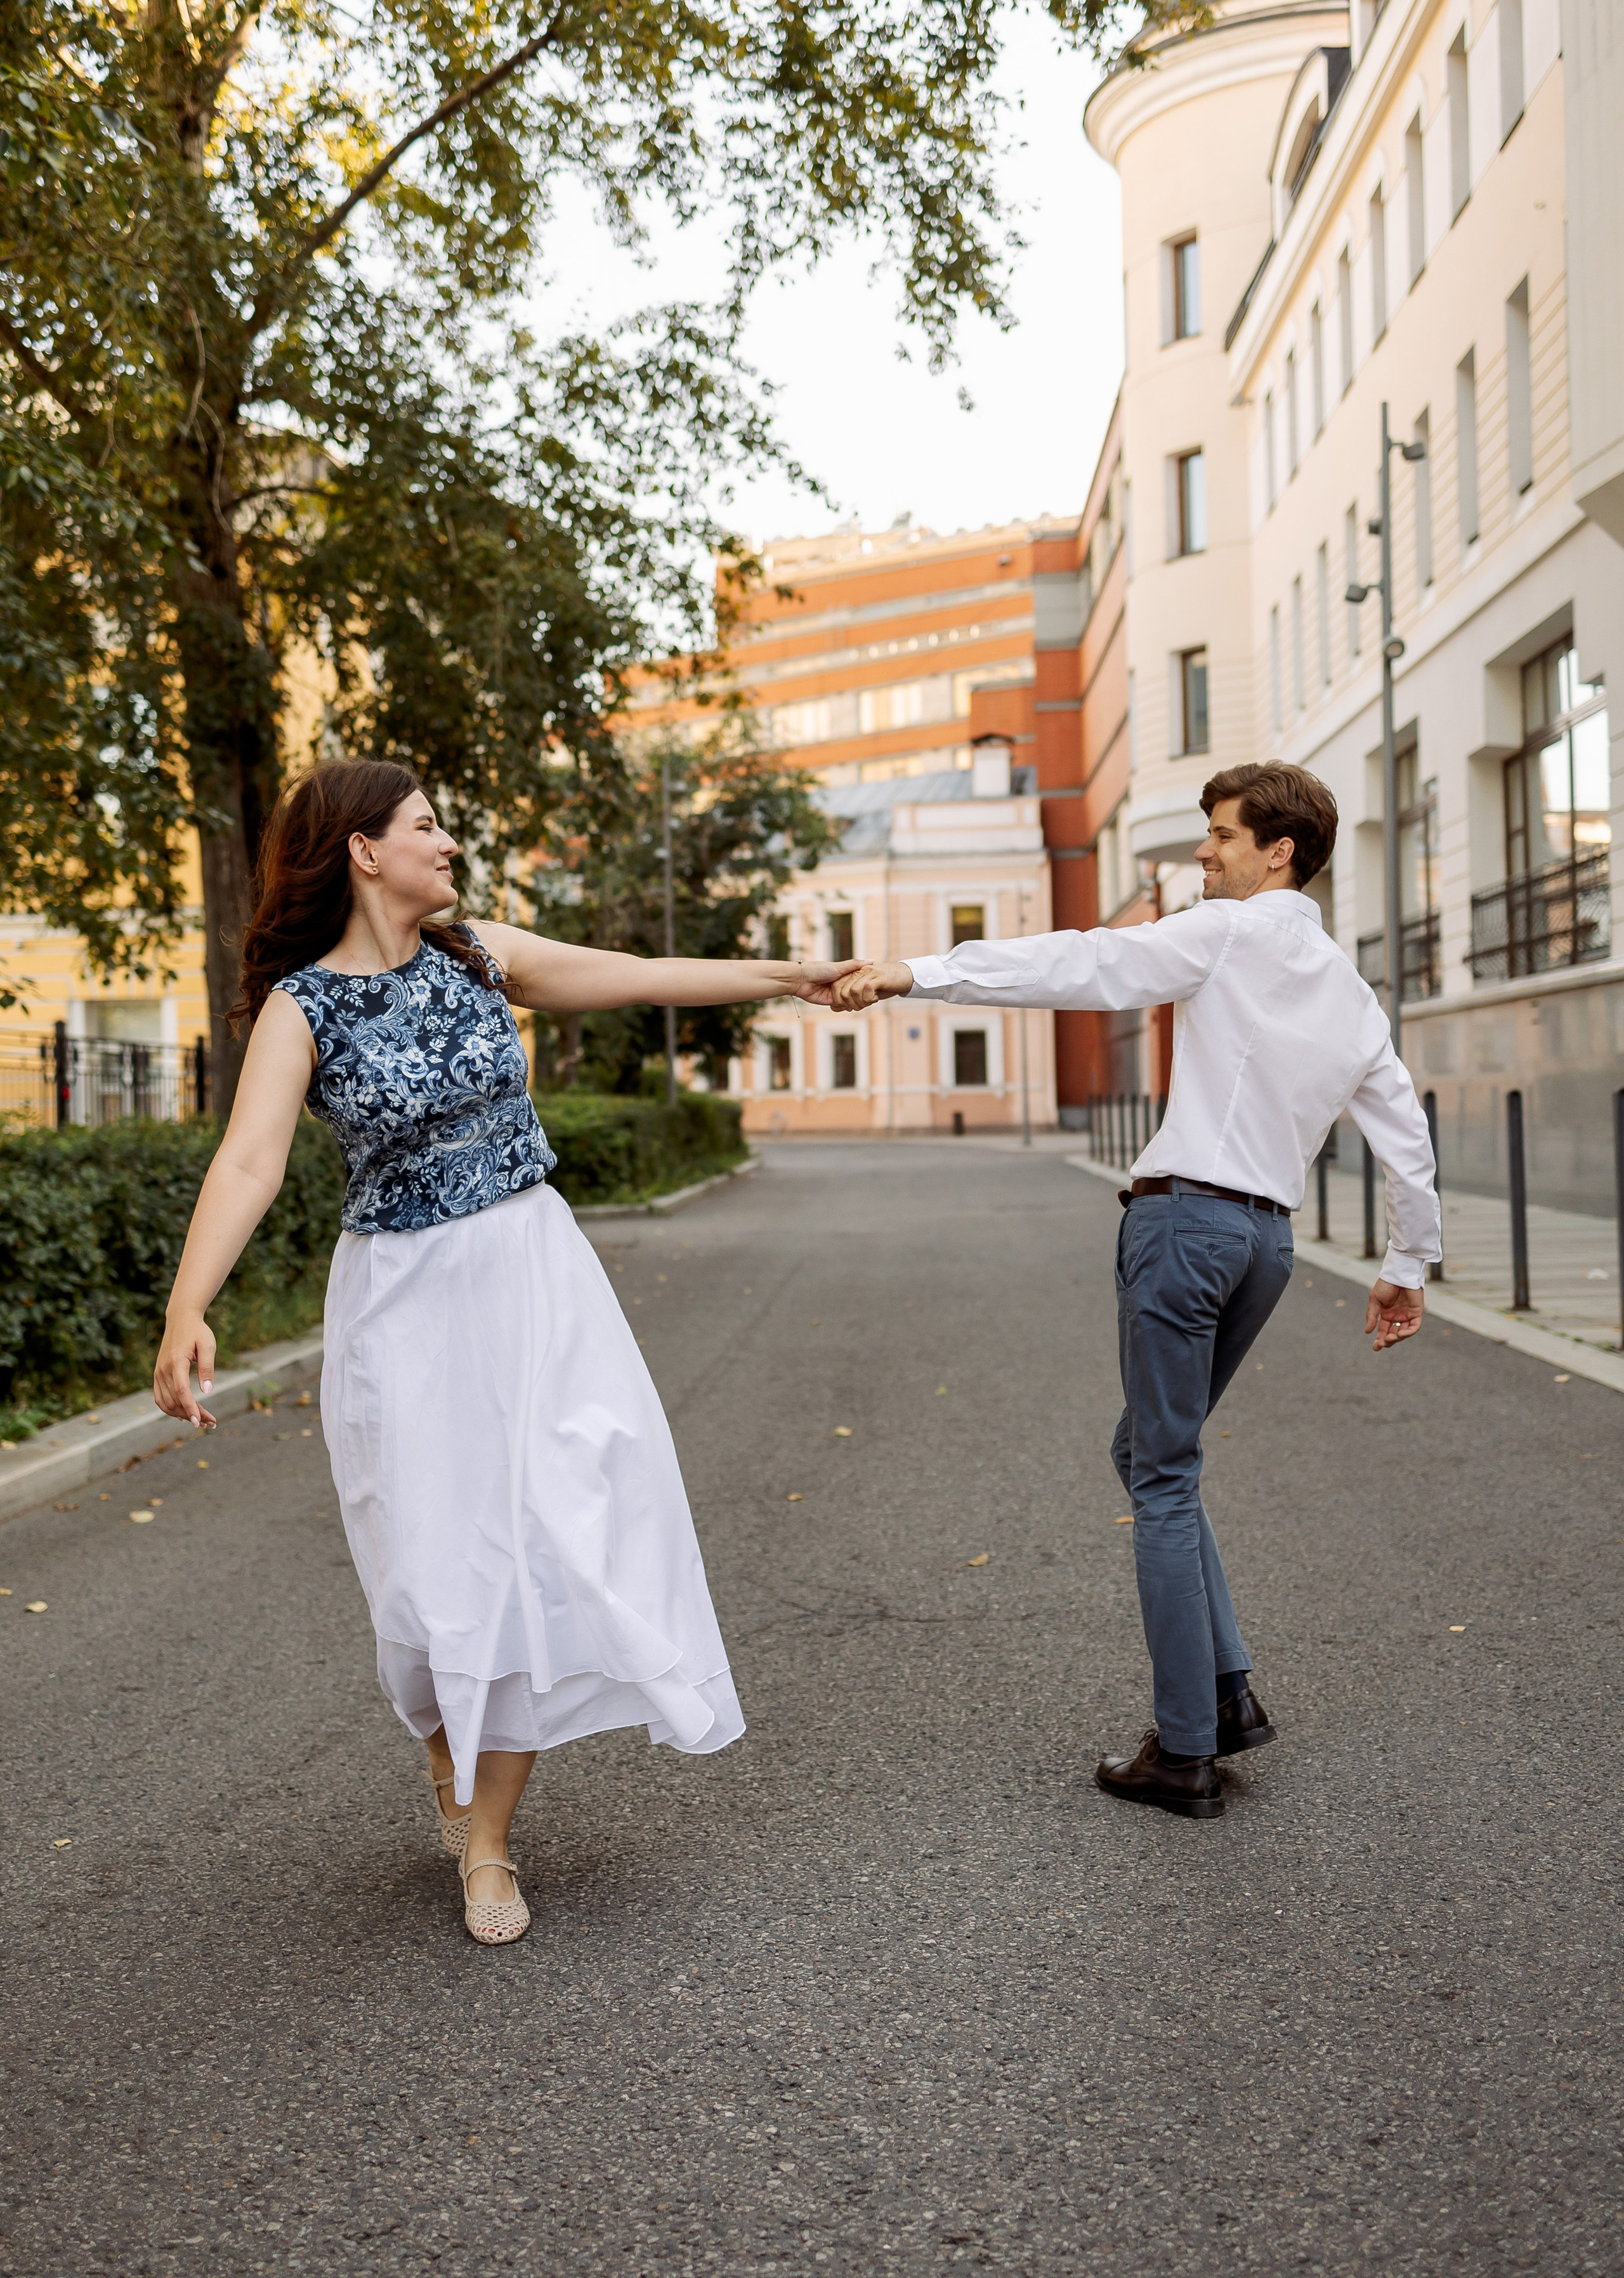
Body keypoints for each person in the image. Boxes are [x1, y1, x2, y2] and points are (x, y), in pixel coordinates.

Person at [154, 758, 848, 1942]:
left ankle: (488, 1844)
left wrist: (793, 976)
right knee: (431, 1574)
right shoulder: (301, 1007)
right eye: (426, 827)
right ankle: (446, 1752)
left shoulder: (478, 951)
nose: (449, 844)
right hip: (404, 1306)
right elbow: (250, 1161)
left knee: (547, 1537)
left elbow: (630, 978)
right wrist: (187, 1307)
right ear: (364, 850)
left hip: (534, 1279)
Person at [828, 760, 1440, 1820]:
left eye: (1221, 835)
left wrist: (914, 972)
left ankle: (1186, 1750)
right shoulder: (1349, 986)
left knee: (1160, 1474)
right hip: (1265, 1245)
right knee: (1152, 1454)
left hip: (1185, 1224)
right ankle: (1229, 1692)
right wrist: (1405, 1266)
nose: (1204, 852)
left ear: (1278, 851)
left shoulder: (1232, 932)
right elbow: (1404, 1130)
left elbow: (1088, 961)